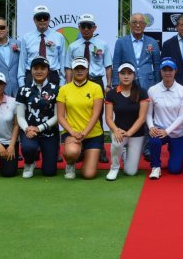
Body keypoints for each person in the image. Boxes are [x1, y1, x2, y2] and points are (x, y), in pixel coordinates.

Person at [65, 13, 112, 163]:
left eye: (89, 26)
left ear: (94, 27)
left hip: (96, 81)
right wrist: (67, 86)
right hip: (77, 82)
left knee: (97, 116)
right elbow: (68, 68)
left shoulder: (103, 44)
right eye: (83, 26)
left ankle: (100, 149)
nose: (86, 29)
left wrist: (109, 84)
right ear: (79, 27)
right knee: (77, 115)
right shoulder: (72, 46)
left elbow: (108, 66)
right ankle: (79, 146)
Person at [57, 57, 104, 179]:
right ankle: (71, 162)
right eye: (76, 68)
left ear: (87, 70)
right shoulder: (64, 89)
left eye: (82, 68)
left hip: (93, 135)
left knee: (88, 175)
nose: (79, 71)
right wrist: (72, 132)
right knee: (72, 152)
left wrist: (84, 133)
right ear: (72, 70)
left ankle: (86, 155)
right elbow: (60, 117)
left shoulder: (96, 87)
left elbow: (96, 115)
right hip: (72, 133)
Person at [16, 56, 60, 178]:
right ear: (31, 70)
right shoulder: (23, 90)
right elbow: (19, 116)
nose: (39, 71)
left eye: (43, 68)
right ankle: (30, 162)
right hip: (29, 132)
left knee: (49, 172)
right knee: (29, 148)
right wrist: (27, 129)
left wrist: (39, 128)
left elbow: (58, 116)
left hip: (49, 133)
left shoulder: (56, 89)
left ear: (48, 71)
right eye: (36, 68)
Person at [146, 58, 183, 179]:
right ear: (160, 71)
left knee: (175, 169)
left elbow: (182, 116)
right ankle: (156, 166)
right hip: (159, 129)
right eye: (165, 70)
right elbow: (149, 114)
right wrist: (151, 127)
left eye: (170, 70)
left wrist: (167, 131)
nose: (167, 73)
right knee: (154, 138)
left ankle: (173, 150)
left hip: (177, 133)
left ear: (175, 71)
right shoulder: (152, 90)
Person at [105, 63, 149, 180]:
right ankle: (114, 167)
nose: (126, 76)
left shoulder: (142, 92)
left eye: (129, 73)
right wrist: (115, 130)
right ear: (118, 75)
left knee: (130, 172)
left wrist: (129, 133)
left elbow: (142, 118)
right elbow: (108, 118)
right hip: (119, 131)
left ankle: (125, 154)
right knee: (116, 142)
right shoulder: (111, 94)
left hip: (136, 134)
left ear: (134, 75)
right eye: (123, 73)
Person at [18, 5, 66, 87]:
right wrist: (21, 83)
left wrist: (62, 82)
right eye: (39, 17)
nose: (42, 20)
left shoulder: (59, 37)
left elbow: (62, 61)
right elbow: (22, 61)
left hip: (52, 75)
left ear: (49, 19)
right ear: (34, 20)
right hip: (32, 75)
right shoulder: (26, 38)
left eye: (45, 17)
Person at [112, 12, 161, 90]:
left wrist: (158, 84)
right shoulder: (121, 42)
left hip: (148, 84)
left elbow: (157, 66)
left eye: (141, 23)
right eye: (134, 22)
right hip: (126, 83)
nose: (138, 25)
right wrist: (115, 84)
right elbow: (116, 64)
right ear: (130, 24)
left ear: (145, 25)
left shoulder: (153, 42)